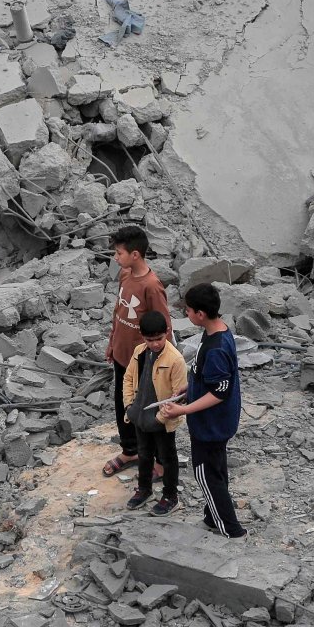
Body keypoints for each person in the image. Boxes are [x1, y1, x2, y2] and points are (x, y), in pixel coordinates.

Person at [159, 283, 245, 538]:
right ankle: (212, 517)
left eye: (188, 310)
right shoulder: (216, 332)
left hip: (211, 425)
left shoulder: (217, 348)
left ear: (200, 314)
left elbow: (219, 392)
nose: (186, 314)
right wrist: (187, 390)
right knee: (216, 471)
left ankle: (232, 531)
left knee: (206, 475)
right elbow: (206, 379)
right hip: (215, 423)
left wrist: (182, 411)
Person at [102, 225, 170, 479]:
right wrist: (112, 342)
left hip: (143, 360)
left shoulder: (151, 286)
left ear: (135, 255)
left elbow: (164, 326)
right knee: (123, 405)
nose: (115, 258)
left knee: (148, 409)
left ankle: (159, 461)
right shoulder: (125, 276)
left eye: (118, 253)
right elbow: (119, 314)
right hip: (122, 355)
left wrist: (161, 362)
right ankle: (130, 450)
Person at [121, 310, 186, 515]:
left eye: (159, 339)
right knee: (144, 454)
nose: (155, 344)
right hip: (140, 415)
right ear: (143, 336)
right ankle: (144, 489)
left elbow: (179, 396)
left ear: (166, 333)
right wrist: (129, 406)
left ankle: (170, 496)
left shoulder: (175, 359)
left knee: (167, 457)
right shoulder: (140, 352)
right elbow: (128, 378)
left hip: (162, 420)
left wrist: (159, 418)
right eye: (150, 340)